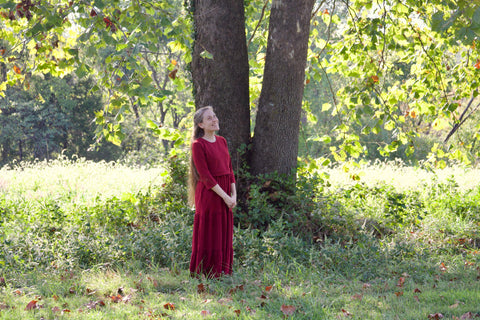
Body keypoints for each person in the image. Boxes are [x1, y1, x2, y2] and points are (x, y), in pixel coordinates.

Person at [188, 106, 237, 278]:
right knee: (211, 231)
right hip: (210, 193)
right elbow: (205, 176)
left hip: (225, 192)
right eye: (209, 118)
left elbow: (229, 170)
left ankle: (223, 270)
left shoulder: (222, 141)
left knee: (223, 231)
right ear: (201, 124)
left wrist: (233, 195)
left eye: (214, 116)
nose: (214, 119)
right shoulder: (198, 145)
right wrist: (224, 197)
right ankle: (208, 271)